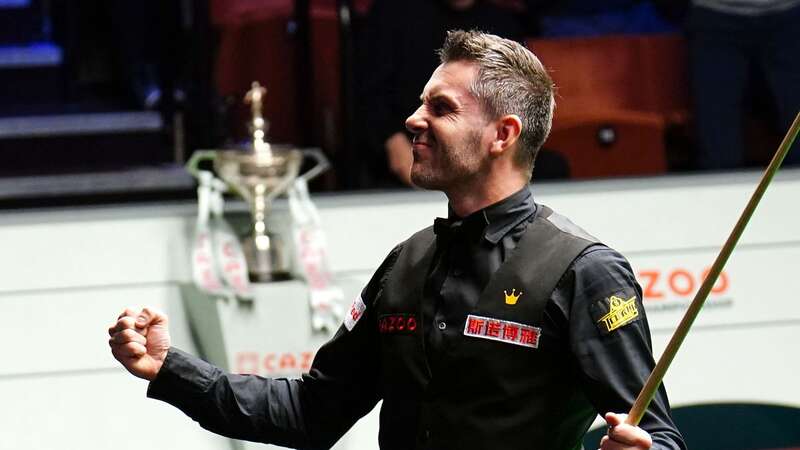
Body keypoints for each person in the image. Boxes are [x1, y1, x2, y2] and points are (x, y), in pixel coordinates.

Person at [109, 31, 686, 450]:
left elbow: (657, 436)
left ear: (501, 135)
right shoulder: (406, 263)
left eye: (440, 108)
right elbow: (309, 414)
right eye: (420, 102)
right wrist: (170, 368)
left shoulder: (584, 270)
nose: (413, 119)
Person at [356, 0, 524, 187]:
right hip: (401, 162)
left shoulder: (503, 23)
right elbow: (369, 92)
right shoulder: (393, 14)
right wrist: (391, 140)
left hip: (481, 162)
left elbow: (512, 101)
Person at [686, 0, 800, 170]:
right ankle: (720, 195)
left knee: (797, 127)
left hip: (789, 16)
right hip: (713, 17)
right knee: (718, 147)